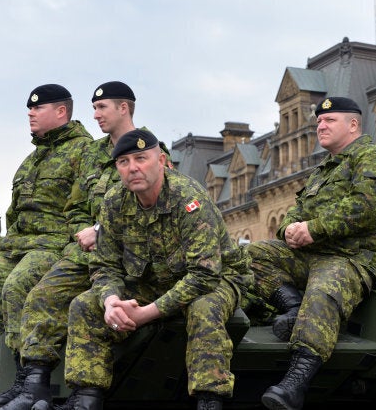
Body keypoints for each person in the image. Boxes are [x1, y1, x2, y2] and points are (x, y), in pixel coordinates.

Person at [0, 82, 158, 410]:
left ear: (123, 108)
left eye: (101, 108)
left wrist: (102, 230)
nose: (94, 115)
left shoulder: (147, 150)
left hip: (127, 255)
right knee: (40, 294)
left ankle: (76, 394)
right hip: (84, 253)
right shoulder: (93, 154)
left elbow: (152, 204)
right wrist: (83, 228)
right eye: (93, 108)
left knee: (81, 305)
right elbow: (75, 205)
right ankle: (32, 386)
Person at [58, 130, 252, 410]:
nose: (133, 167)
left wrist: (145, 314)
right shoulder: (114, 202)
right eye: (124, 162)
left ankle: (209, 399)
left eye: (141, 158)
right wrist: (111, 301)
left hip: (216, 278)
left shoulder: (189, 199)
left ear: (161, 160)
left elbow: (204, 275)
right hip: (152, 280)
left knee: (204, 309)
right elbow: (104, 265)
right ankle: (86, 398)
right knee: (85, 305)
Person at [247, 96, 376, 410]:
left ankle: (295, 382)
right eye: (318, 121)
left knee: (323, 290)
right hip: (312, 256)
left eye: (329, 121)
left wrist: (313, 229)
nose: (321, 125)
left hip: (355, 258)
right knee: (251, 255)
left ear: (353, 124)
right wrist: (289, 230)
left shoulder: (372, 159)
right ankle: (292, 307)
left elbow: (366, 209)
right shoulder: (323, 171)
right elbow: (297, 211)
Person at [0, 84, 92, 410]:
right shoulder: (32, 160)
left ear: (61, 111)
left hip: (54, 245)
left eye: (37, 108)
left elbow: (88, 207)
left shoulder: (84, 152)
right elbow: (15, 213)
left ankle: (27, 385)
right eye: (29, 109)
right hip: (18, 245)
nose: (30, 114)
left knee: (17, 285)